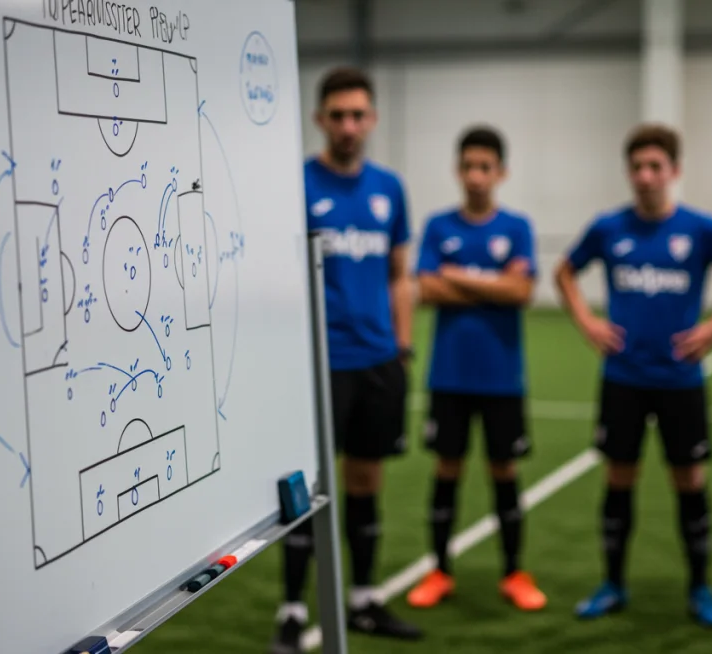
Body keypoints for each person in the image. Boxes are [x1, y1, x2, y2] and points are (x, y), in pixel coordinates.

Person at [554, 124, 712, 627]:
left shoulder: (700, 228)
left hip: (680, 380)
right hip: (622, 377)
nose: (645, 177)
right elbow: (564, 270)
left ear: (674, 171)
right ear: (629, 172)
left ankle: (700, 588)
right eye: (637, 168)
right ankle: (612, 583)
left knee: (689, 480)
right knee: (619, 478)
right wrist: (586, 320)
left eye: (655, 167)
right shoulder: (608, 228)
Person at [270, 67, 422, 653]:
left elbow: (401, 274)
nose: (349, 126)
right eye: (338, 115)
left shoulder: (390, 188)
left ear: (373, 119)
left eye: (359, 115)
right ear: (319, 120)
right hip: (320, 365)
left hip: (380, 362)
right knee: (306, 490)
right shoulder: (297, 185)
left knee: (365, 481)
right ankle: (290, 610)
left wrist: (402, 346)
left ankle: (364, 599)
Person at [404, 126, 546, 612]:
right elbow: (426, 289)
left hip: (502, 377)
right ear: (457, 171)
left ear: (500, 173)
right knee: (447, 470)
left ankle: (514, 572)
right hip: (449, 376)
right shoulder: (439, 226)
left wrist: (458, 275)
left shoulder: (518, 227)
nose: (476, 176)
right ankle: (440, 570)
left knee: (504, 470)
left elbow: (521, 293)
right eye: (468, 167)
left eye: (485, 167)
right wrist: (494, 284)